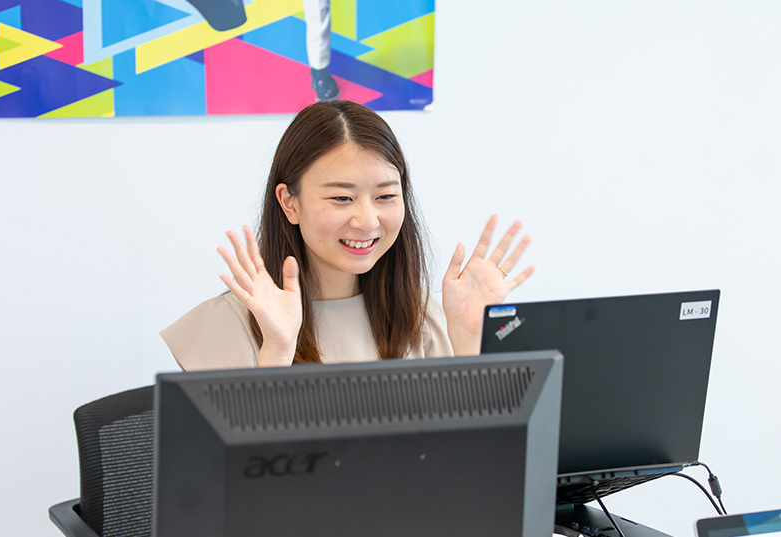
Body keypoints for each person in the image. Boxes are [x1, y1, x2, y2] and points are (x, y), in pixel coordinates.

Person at [161, 100, 534, 371]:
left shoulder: (419, 315)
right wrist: (277, 349)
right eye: (342, 198)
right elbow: (246, 456)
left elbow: (461, 448)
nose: (367, 221)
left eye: (386, 196)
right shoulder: (227, 326)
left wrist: (468, 340)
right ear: (289, 203)